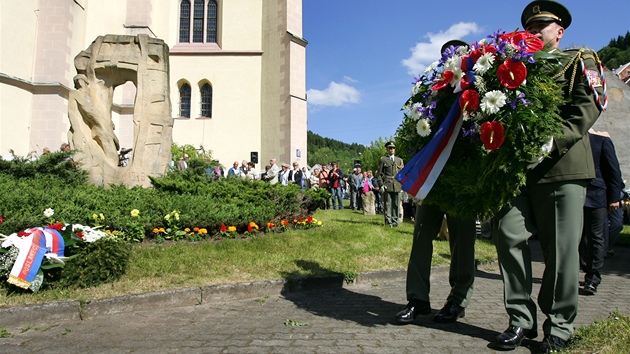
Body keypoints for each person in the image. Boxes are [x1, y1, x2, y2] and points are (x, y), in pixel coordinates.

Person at [492, 2, 606, 352]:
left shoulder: (579, 59)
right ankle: (520, 320)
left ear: (560, 31)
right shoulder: (515, 67)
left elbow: (590, 105)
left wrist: (552, 141)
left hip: (563, 168)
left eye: (543, 25)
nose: (535, 31)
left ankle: (559, 325)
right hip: (519, 171)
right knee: (507, 235)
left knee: (560, 253)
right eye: (530, 27)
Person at [394, 39, 477, 327]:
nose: (451, 59)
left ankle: (457, 300)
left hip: (463, 178)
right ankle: (418, 300)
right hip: (434, 177)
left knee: (462, 241)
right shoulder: (433, 90)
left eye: (457, 55)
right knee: (421, 236)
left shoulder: (477, 86)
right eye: (446, 56)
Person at [579, 131, 623, 295]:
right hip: (575, 197)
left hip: (597, 196)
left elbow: (613, 171)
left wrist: (614, 198)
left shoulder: (602, 141)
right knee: (580, 238)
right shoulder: (572, 140)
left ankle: (593, 278)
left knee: (596, 236)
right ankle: (586, 268)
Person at [376, 141, 404, 227]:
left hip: (397, 185)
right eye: (390, 148)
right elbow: (379, 174)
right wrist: (381, 184)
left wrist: (402, 185)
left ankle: (395, 222)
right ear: (387, 149)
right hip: (387, 184)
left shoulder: (399, 160)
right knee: (388, 204)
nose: (392, 150)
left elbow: (402, 173)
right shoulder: (383, 160)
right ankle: (388, 222)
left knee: (396, 204)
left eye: (393, 148)